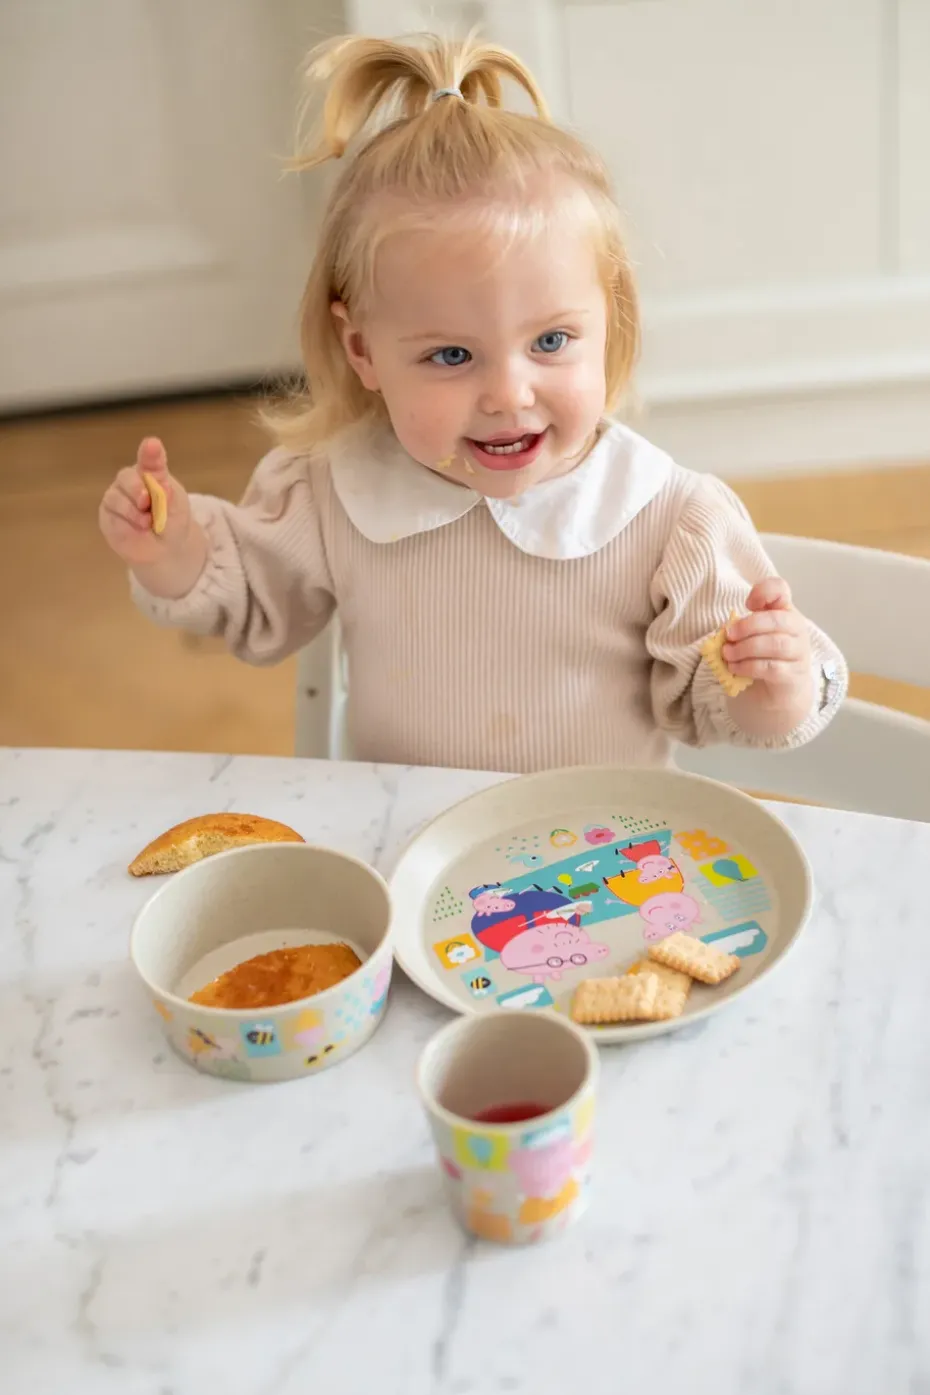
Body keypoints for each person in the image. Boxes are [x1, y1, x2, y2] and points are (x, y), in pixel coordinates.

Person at [98, 32, 846, 773]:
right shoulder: (334, 489)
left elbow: (716, 703)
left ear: (609, 322)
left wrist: (771, 685)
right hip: (409, 832)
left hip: (604, 838)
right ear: (362, 350)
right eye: (451, 356)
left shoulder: (665, 515)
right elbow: (251, 601)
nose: (509, 395)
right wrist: (175, 551)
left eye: (550, 341)